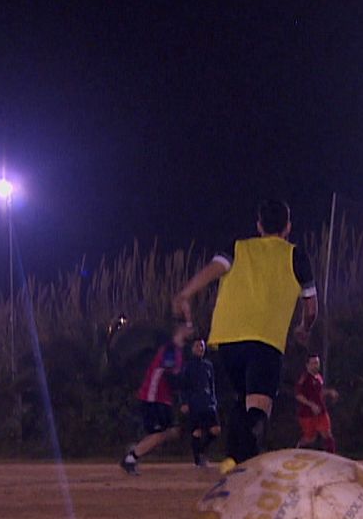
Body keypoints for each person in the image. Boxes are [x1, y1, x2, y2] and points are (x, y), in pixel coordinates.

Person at [173, 199, 317, 471]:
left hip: (227, 340)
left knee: (245, 400)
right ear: (288, 227)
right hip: (265, 340)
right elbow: (311, 307)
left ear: (259, 225)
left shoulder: (237, 248)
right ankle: (239, 463)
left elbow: (212, 271)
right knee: (259, 408)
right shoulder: (296, 255)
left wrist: (185, 293)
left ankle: (235, 459)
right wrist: (303, 328)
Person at [121, 321, 193, 475]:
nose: (191, 330)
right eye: (188, 327)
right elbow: (170, 373)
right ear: (179, 330)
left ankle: (137, 449)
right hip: (153, 396)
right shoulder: (170, 348)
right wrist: (184, 384)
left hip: (163, 398)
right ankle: (130, 458)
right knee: (159, 434)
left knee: (173, 432)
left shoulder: (179, 350)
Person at [180, 338, 222, 468]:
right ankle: (198, 460)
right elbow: (183, 386)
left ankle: (202, 451)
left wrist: (214, 400)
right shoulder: (188, 366)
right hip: (195, 403)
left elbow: (212, 384)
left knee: (215, 430)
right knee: (197, 431)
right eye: (198, 346)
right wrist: (184, 402)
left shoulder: (208, 365)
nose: (200, 348)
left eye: (202, 346)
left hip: (208, 403)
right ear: (192, 349)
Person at [294, 354, 337, 453]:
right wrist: (311, 405)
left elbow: (319, 392)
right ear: (307, 365)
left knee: (327, 434)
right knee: (310, 438)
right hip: (307, 413)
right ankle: (298, 449)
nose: (316, 365)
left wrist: (329, 392)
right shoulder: (304, 378)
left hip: (320, 411)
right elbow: (298, 395)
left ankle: (331, 457)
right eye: (313, 363)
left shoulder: (318, 377)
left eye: (317, 363)